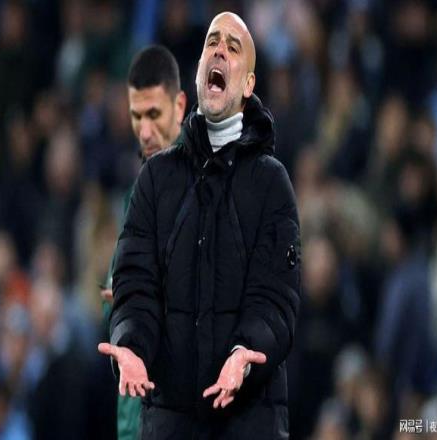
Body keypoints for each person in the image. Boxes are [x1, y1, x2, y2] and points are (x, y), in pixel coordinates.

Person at [99, 12, 301, 439]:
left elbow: (276, 297)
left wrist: (245, 351)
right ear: (197, 73)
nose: (219, 50)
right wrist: (131, 343)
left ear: (248, 85)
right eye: (212, 42)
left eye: (233, 47)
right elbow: (135, 283)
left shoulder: (271, 183)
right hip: (170, 422)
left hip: (249, 422)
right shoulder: (155, 179)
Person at [100, 45, 186, 440]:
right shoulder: (136, 197)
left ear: (179, 106)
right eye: (137, 117)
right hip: (135, 417)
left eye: (154, 114)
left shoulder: (208, 189)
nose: (145, 132)